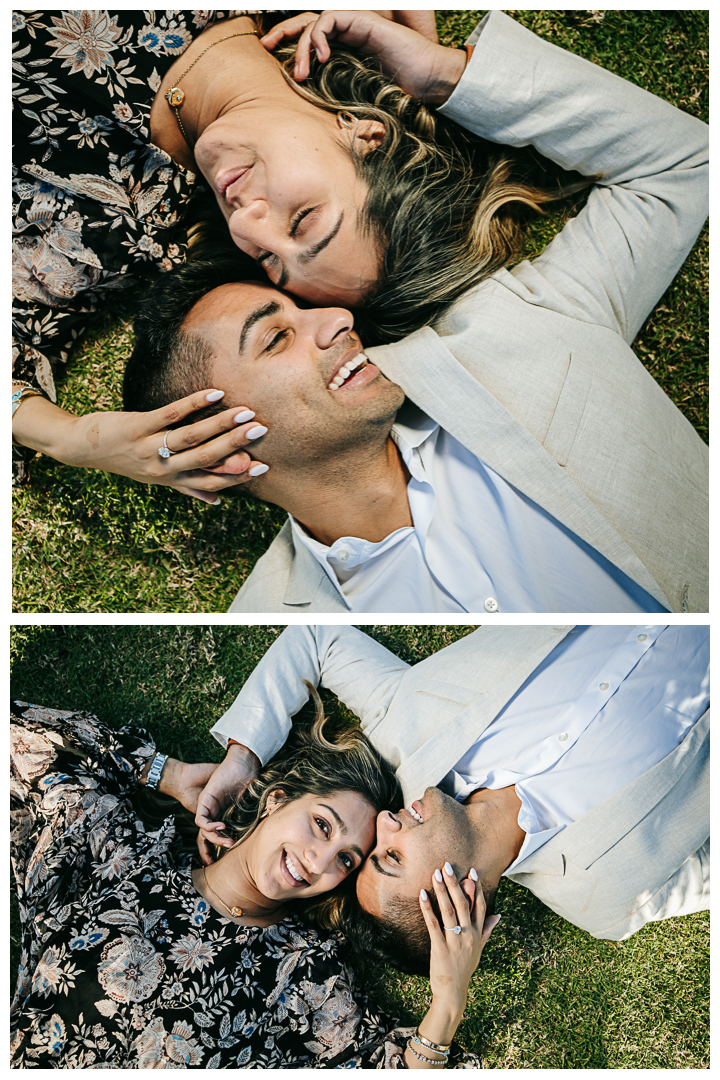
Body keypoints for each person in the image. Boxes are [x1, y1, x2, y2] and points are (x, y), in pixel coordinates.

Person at [123, 13, 708, 614]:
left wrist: (443, 75)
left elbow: (682, 166)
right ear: (213, 445)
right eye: (276, 337)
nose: (338, 324)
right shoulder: (279, 625)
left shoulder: (523, 328)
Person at [12, 9, 562, 496]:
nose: (249, 227)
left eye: (269, 262)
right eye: (304, 220)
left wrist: (75, 437)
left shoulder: (115, 227)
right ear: (366, 136)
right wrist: (444, 74)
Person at [10, 692, 498, 1068]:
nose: (319, 860)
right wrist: (169, 774)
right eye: (323, 825)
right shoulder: (122, 860)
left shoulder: (305, 980)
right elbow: (27, 740)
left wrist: (449, 998)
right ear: (277, 799)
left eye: (346, 860)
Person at [189, 623, 709, 970]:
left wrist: (243, 756)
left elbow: (319, 637)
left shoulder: (409, 730)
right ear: (455, 900)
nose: (387, 821)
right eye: (389, 857)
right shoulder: (608, 899)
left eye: (363, 848)